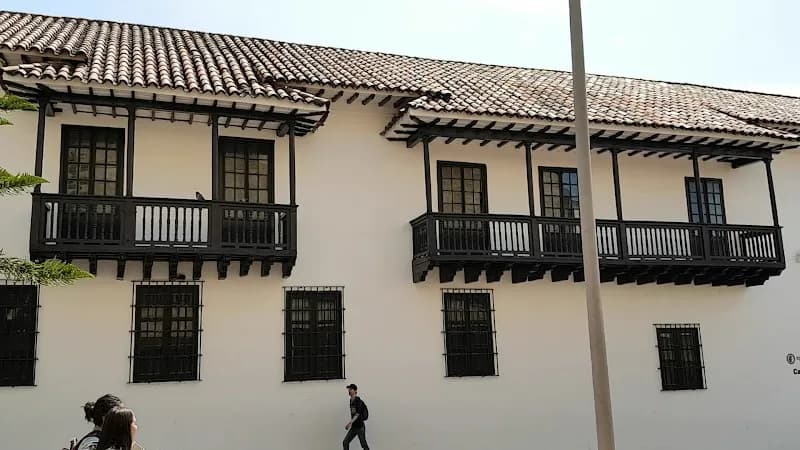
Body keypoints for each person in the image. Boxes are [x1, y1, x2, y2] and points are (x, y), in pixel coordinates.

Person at [343, 384, 370, 450]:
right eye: (349, 389)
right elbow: (353, 413)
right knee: (345, 442)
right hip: (354, 427)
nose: (349, 390)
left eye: (351, 389)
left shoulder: (358, 401)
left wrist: (350, 423)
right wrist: (352, 423)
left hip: (360, 427)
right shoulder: (351, 400)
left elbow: (357, 414)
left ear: (355, 391)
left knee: (363, 444)